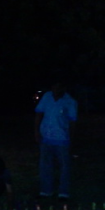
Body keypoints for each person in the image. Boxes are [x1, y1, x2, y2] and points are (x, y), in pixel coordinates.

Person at [34, 73, 78, 201]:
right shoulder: (47, 97)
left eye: (59, 87)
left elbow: (72, 122)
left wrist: (71, 139)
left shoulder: (70, 102)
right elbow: (39, 114)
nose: (56, 90)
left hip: (62, 139)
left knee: (64, 166)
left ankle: (63, 192)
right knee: (45, 165)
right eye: (54, 87)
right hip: (46, 137)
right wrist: (37, 131)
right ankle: (46, 190)